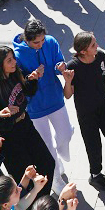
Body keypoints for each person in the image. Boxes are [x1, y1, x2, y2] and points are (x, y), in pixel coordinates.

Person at [0, 45, 58, 191]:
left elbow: (27, 92)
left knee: (48, 163)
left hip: (26, 126)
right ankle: (32, 208)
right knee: (25, 178)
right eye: (9, 60)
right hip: (11, 138)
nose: (14, 63)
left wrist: (33, 79)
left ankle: (43, 199)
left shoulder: (16, 74)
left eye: (13, 59)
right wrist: (2, 115)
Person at [13, 18, 73, 190]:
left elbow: (57, 62)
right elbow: (20, 82)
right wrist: (31, 77)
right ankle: (55, 180)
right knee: (46, 145)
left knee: (66, 133)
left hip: (54, 97)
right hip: (34, 106)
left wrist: (60, 67)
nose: (40, 44)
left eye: (42, 40)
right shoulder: (17, 55)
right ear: (26, 39)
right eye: (35, 42)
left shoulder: (51, 42)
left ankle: (58, 157)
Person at [63, 32, 105, 191]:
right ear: (83, 51)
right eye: (93, 44)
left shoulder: (100, 56)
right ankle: (96, 174)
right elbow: (68, 95)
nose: (97, 46)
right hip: (86, 112)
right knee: (94, 145)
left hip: (103, 105)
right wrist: (68, 81)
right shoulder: (73, 66)